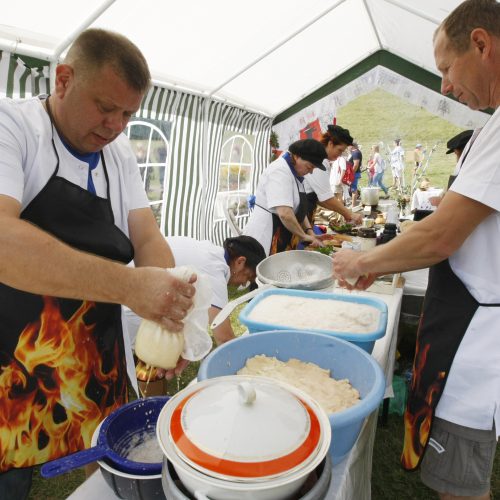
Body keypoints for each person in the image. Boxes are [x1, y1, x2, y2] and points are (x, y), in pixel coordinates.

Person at [0, 29, 196, 498]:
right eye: (105, 107)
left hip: (94, 357)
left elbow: (147, 238)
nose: (115, 125)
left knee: (110, 468)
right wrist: (130, 289)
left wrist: (166, 313)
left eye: (128, 114)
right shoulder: (13, 127)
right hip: (14, 360)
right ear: (63, 79)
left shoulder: (118, 155)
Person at [333, 1, 500, 498]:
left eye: (446, 69)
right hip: (472, 320)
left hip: (476, 340)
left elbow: (441, 236)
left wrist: (361, 261)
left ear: (481, 44)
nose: (445, 86)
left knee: (458, 487)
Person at [125, 235, 266, 351]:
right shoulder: (215, 270)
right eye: (248, 277)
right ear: (240, 262)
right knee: (155, 355)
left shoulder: (210, 251)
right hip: (130, 304)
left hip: (129, 283)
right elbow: (224, 338)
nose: (243, 283)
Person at [243, 139, 327, 256]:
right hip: (265, 235)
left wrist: (310, 232)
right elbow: (285, 213)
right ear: (297, 157)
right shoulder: (279, 171)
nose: (311, 172)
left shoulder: (296, 174)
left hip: (279, 234)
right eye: (309, 167)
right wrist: (303, 236)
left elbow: (299, 210)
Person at [303, 125, 363, 226]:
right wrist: (350, 214)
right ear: (330, 144)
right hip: (300, 214)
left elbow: (321, 198)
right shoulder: (319, 160)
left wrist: (344, 213)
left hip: (306, 213)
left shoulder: (323, 159)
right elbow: (326, 198)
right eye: (339, 150)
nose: (340, 155)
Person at [348, 141, 363, 206]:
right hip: (354, 173)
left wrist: (351, 174)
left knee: (353, 189)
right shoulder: (355, 152)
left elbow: (356, 165)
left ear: (352, 146)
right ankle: (353, 204)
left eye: (348, 146)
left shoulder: (356, 153)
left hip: (354, 173)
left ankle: (353, 206)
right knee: (353, 189)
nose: (348, 147)